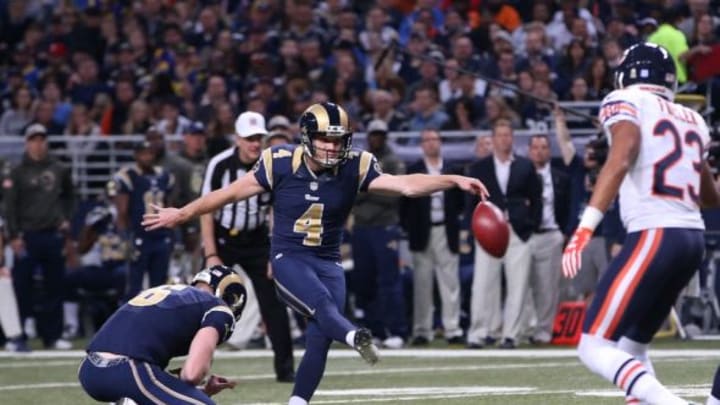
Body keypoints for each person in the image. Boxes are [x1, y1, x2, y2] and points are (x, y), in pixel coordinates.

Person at [142, 101, 488, 405]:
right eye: (325, 138)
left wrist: (453, 179)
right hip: (289, 257)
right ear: (307, 137)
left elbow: (407, 185)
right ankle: (355, 335)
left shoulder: (356, 164)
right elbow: (229, 195)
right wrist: (182, 213)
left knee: (320, 337)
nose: (333, 146)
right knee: (323, 307)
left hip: (328, 260)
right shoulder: (279, 161)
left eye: (338, 139)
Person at [562, 43, 718, 405]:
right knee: (632, 346)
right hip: (692, 240)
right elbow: (709, 196)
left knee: (592, 345)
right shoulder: (693, 118)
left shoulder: (624, 100)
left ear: (625, 75)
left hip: (655, 234)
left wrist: (585, 227)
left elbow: (622, 156)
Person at [201, 111, 295, 383]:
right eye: (249, 138)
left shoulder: (271, 165)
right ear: (237, 139)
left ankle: (285, 369)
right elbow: (207, 210)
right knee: (202, 298)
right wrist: (211, 254)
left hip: (257, 240)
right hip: (223, 239)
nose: (255, 143)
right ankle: (193, 365)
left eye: (259, 138)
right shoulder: (220, 165)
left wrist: (275, 253)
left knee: (274, 303)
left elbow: (277, 211)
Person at [78, 264, 245, 404]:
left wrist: (203, 390)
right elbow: (191, 374)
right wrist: (197, 385)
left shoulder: (171, 293)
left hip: (89, 370)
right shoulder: (218, 308)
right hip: (128, 372)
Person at [465, 121, 543, 349]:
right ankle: (477, 333)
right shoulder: (479, 168)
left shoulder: (526, 166)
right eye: (499, 135)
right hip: (488, 232)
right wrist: (473, 231)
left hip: (517, 231)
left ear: (512, 138)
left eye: (507, 135)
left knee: (518, 286)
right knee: (482, 284)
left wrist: (531, 227)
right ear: (493, 138)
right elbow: (470, 204)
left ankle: (511, 335)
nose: (504, 139)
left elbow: (537, 199)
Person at [4, 123, 76, 350]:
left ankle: (52, 336)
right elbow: (9, 206)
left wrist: (66, 218)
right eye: (34, 139)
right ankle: (19, 333)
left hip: (53, 234)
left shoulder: (59, 168)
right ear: (27, 142)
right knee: (21, 287)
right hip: (26, 236)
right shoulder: (16, 171)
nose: (38, 143)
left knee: (54, 285)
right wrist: (13, 235)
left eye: (41, 139)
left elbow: (71, 196)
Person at [401, 129, 464, 346]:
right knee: (422, 283)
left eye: (434, 139)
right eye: (427, 140)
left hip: (447, 229)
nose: (431, 144)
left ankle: (453, 328)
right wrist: (409, 229)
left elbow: (460, 203)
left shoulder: (452, 169)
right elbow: (404, 205)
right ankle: (422, 330)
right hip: (422, 231)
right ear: (421, 145)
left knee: (450, 281)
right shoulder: (414, 170)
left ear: (440, 142)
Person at [350, 119, 407, 349]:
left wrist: (365, 192)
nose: (376, 138)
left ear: (385, 136)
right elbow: (350, 192)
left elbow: (393, 194)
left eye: (380, 134)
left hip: (384, 227)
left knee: (389, 280)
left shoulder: (393, 161)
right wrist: (370, 191)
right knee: (365, 281)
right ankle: (375, 329)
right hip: (363, 229)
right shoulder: (360, 161)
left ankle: (396, 329)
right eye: (373, 134)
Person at [111, 141, 175, 300]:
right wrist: (125, 238)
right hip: (139, 235)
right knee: (134, 287)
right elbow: (122, 211)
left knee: (160, 287)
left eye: (150, 153)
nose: (147, 157)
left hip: (161, 235)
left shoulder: (164, 175)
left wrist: (173, 233)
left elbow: (169, 205)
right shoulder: (128, 176)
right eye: (143, 153)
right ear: (136, 155)